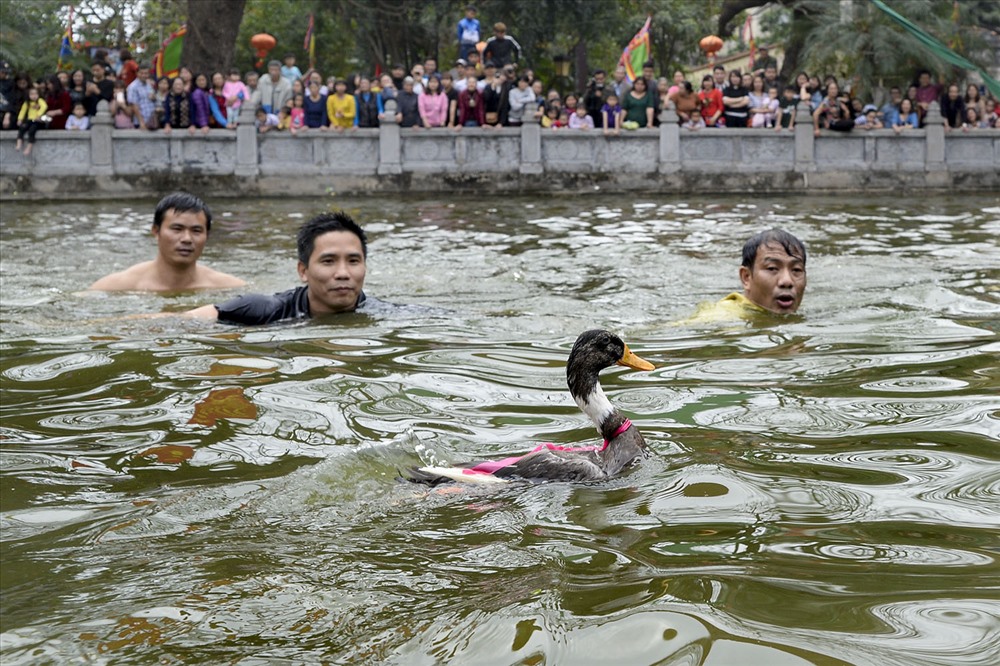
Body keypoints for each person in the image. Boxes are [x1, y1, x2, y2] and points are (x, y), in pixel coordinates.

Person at [185, 212, 369, 324]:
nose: (343, 274)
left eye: (353, 261)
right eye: (328, 261)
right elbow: (180, 321)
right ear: (303, 271)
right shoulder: (264, 310)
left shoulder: (385, 314)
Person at [90, 192, 245, 292]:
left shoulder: (229, 287)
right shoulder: (116, 287)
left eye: (196, 231)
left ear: (207, 236)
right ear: (156, 231)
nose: (186, 239)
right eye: (177, 229)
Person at [686, 229, 807, 323]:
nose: (787, 281)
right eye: (772, 268)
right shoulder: (721, 319)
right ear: (746, 277)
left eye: (796, 270)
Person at [15, 86, 47, 156]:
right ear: (28, 95)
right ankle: (19, 141)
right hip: (29, 120)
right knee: (22, 128)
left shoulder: (40, 100)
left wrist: (39, 114)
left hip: (37, 120)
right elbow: (23, 111)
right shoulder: (27, 103)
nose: (34, 96)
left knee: (32, 130)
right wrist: (20, 119)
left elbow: (44, 106)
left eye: (35, 94)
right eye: (31, 94)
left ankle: (29, 146)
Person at [126, 64, 157, 129]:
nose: (143, 75)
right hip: (141, 123)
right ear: (137, 73)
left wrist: (153, 97)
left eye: (146, 73)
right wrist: (141, 122)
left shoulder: (149, 85)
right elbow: (134, 106)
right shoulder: (133, 87)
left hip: (151, 121)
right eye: (141, 73)